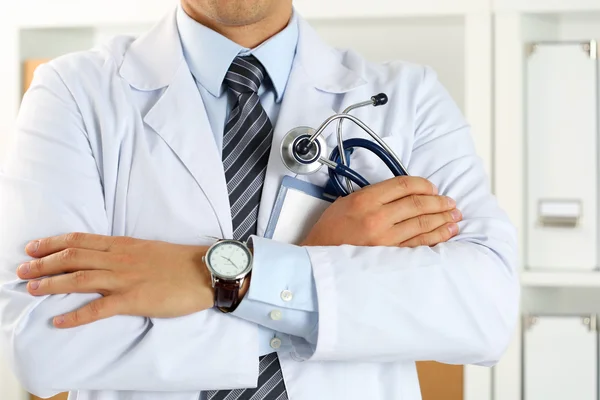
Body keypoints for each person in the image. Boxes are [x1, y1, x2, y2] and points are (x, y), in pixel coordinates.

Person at [0, 0, 519, 399]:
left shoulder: (408, 99)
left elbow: (484, 310)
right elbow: (45, 345)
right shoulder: (73, 93)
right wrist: (314, 276)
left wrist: (216, 276)